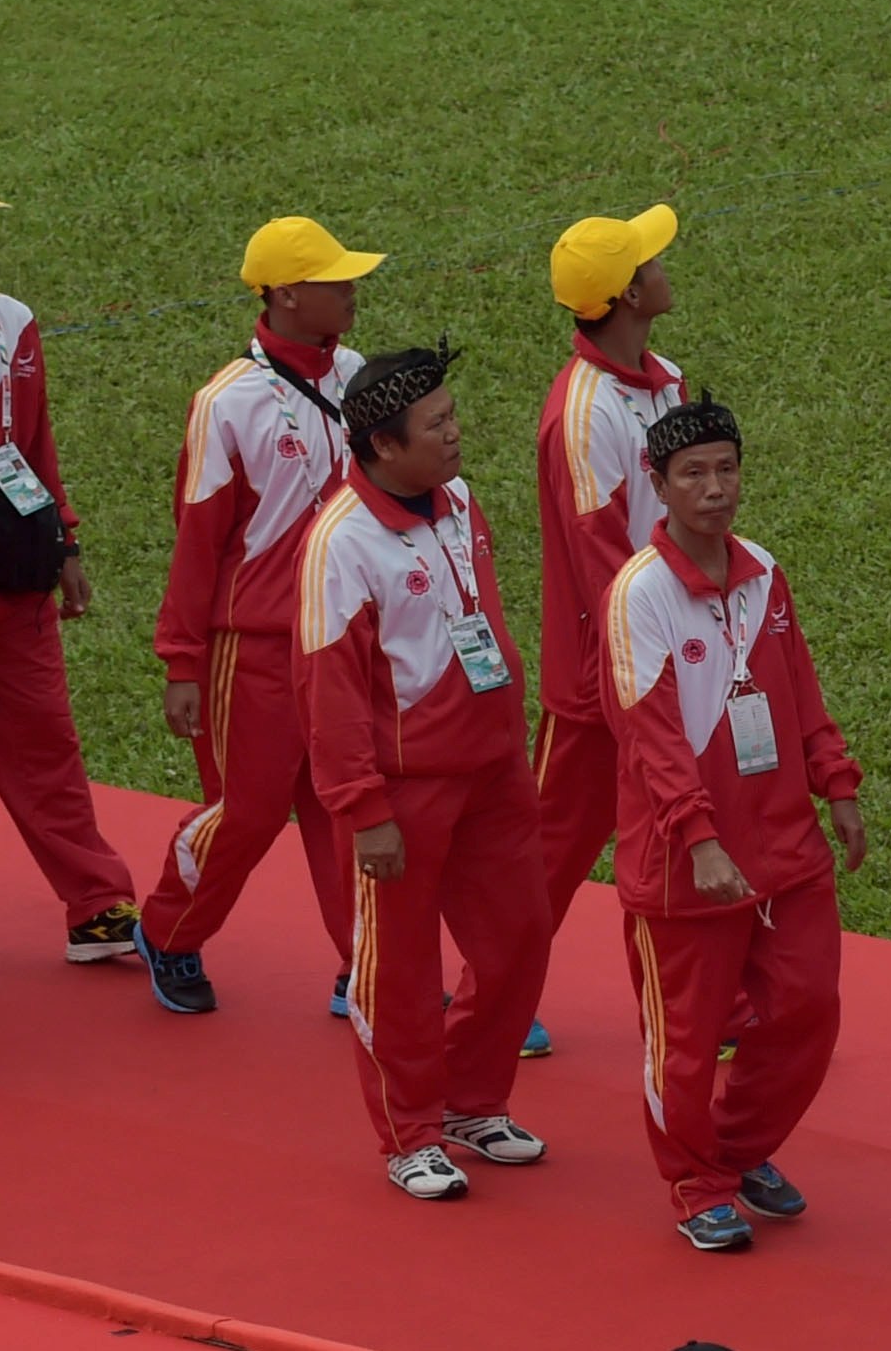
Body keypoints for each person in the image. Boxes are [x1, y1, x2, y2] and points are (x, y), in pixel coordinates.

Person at [600, 397, 866, 1253]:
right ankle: (694, 1183)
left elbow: (799, 691)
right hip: (686, 866)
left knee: (806, 1011)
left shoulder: (763, 572)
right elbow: (650, 736)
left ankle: (739, 1149)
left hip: (786, 847)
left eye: (726, 470)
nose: (715, 490)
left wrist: (838, 784)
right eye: (694, 475)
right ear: (659, 485)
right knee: (683, 1042)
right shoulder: (638, 595)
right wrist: (701, 839)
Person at [294, 341, 552, 1201]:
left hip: (493, 773)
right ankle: (409, 1133)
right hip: (401, 794)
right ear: (381, 447)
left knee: (518, 938)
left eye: (452, 415)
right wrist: (363, 810)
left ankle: (474, 1101)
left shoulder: (460, 502)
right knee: (399, 969)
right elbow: (328, 692)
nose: (455, 433)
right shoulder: (341, 543)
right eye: (436, 424)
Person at [134, 218, 384, 1015]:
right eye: (335, 279)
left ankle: (365, 967)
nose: (352, 289)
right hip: (256, 647)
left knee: (349, 806)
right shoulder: (227, 403)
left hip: (346, 639)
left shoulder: (363, 378)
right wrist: (182, 661)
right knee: (247, 811)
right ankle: (169, 932)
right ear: (284, 294)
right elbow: (197, 540)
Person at [0, 155, 140, 967]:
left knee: (46, 747)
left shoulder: (14, 321)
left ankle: (97, 906)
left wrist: (67, 543)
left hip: (13, 583)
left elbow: (33, 446)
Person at [522, 204, 686, 1060]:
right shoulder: (582, 413)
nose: (665, 265)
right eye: (650, 261)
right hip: (602, 678)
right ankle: (494, 996)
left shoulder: (665, 379)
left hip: (677, 651)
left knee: (688, 825)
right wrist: (644, 661)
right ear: (627, 295)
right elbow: (599, 559)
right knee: (553, 847)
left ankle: (707, 1005)